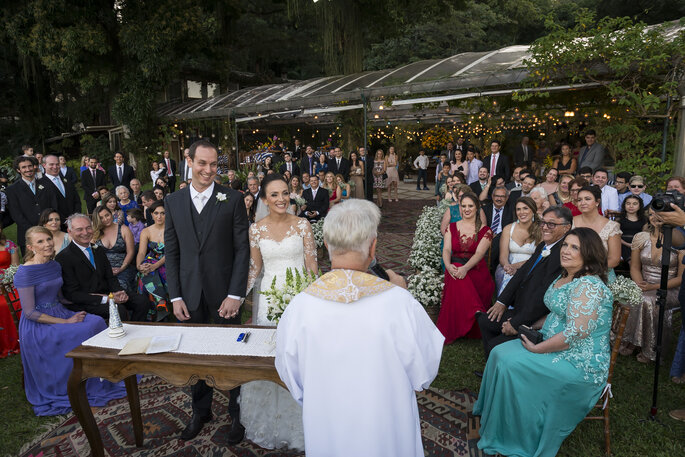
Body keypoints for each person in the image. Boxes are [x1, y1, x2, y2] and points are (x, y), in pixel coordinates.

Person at [275, 199, 443, 457]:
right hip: (386, 430)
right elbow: (424, 371)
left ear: (327, 244)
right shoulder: (399, 303)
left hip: (328, 428)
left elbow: (292, 378)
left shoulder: (300, 307)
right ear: (373, 246)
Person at [474, 227, 613, 457]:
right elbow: (557, 312)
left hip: (579, 361)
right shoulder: (566, 275)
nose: (566, 251)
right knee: (499, 352)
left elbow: (573, 335)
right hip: (552, 341)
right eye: (566, 245)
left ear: (589, 253)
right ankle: (494, 417)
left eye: (575, 247)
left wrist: (538, 348)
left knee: (511, 364)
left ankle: (514, 432)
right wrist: (530, 328)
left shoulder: (589, 286)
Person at [165, 140, 250, 443]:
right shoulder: (173, 201)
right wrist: (175, 296)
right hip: (188, 296)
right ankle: (200, 411)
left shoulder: (233, 198)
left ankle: (238, 414)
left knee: (231, 357)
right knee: (194, 357)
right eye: (202, 163)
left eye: (214, 164)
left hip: (224, 295)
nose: (209, 170)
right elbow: (172, 252)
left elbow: (243, 250)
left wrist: (236, 294)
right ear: (188, 161)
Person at [241, 174, 318, 450]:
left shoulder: (303, 225)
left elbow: (311, 266)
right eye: (274, 195)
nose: (281, 199)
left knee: (298, 359)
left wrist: (313, 300)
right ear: (264, 199)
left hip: (298, 297)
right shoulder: (256, 229)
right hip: (269, 301)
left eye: (285, 193)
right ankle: (269, 422)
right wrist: (237, 298)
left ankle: (304, 419)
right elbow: (255, 268)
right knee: (270, 358)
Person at [15, 226, 127, 416]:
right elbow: (29, 313)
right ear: (30, 247)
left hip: (60, 311)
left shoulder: (54, 265)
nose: (47, 244)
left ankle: (101, 376)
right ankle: (78, 381)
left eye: (48, 239)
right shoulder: (25, 273)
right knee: (79, 331)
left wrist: (88, 301)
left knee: (96, 322)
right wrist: (66, 323)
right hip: (39, 325)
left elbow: (62, 298)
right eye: (40, 242)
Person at [477, 206, 572, 358]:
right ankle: (492, 368)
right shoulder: (544, 245)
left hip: (534, 317)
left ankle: (498, 363)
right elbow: (521, 273)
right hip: (520, 307)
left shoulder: (562, 254)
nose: (545, 227)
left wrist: (515, 324)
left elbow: (542, 295)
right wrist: (502, 301)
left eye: (552, 224)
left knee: (495, 345)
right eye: (543, 223)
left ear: (567, 227)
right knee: (485, 320)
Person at [56, 214, 149, 322]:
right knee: (118, 310)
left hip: (109, 294)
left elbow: (110, 277)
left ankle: (134, 328)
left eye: (88, 228)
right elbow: (72, 294)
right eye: (79, 229)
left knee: (141, 301)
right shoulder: (63, 258)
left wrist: (119, 292)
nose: (85, 233)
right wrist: (107, 299)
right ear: (70, 231)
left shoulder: (98, 250)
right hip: (86, 302)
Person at [620, 209, 683, 362]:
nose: (655, 217)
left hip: (670, 288)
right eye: (652, 213)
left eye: (661, 214)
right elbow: (634, 267)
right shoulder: (641, 238)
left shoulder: (680, 242)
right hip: (643, 283)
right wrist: (639, 283)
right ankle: (631, 341)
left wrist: (652, 288)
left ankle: (650, 348)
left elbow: (681, 278)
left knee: (648, 300)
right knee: (631, 296)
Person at [437, 193, 494, 343]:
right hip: (455, 268)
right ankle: (475, 312)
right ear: (460, 208)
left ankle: (465, 320)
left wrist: (465, 268)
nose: (467, 209)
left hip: (475, 270)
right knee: (455, 269)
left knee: (457, 272)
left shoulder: (485, 230)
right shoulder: (451, 227)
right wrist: (448, 265)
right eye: (463, 206)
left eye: (470, 206)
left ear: (477, 208)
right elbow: (447, 250)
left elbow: (480, 254)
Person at [6, 155, 58, 254]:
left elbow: (53, 205)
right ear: (18, 170)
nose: (28, 169)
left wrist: (49, 224)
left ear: (34, 166)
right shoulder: (12, 190)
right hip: (27, 235)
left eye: (30, 166)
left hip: (49, 232)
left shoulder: (47, 184)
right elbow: (16, 214)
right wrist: (35, 231)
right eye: (24, 167)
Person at [495, 197, 541, 294]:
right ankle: (503, 306)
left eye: (525, 208)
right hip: (509, 266)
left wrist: (517, 266)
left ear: (533, 210)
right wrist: (508, 266)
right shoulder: (508, 228)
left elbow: (539, 256)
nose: (521, 212)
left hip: (531, 265)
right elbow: (503, 256)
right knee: (507, 276)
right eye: (518, 209)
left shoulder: (541, 230)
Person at [573, 186, 621, 277]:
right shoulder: (570, 223)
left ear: (597, 202)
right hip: (573, 272)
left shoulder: (611, 226)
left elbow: (614, 259)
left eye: (587, 199)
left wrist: (589, 270)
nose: (582, 203)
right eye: (579, 200)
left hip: (601, 274)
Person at [92, 206, 137, 296]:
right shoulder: (95, 233)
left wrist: (122, 268)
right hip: (103, 270)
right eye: (101, 218)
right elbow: (92, 255)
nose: (105, 219)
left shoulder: (124, 229)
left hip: (123, 267)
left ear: (111, 214)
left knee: (120, 287)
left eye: (107, 215)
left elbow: (130, 252)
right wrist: (104, 271)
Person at [136, 200, 169, 320]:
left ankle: (158, 307)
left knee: (153, 271)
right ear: (151, 214)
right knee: (144, 271)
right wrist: (139, 265)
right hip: (150, 260)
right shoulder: (146, 231)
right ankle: (159, 303)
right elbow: (141, 252)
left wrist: (155, 266)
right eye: (156, 213)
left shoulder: (172, 229)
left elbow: (171, 253)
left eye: (163, 213)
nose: (159, 216)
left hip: (168, 261)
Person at [39, 154, 81, 229]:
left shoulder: (67, 180)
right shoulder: (40, 185)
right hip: (56, 226)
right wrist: (63, 220)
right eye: (51, 164)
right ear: (44, 165)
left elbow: (76, 200)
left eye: (57, 164)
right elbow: (45, 206)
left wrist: (75, 217)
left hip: (75, 223)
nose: (55, 167)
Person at [0, 224, 20, 358]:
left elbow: (15, 267)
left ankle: (18, 341)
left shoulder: (10, 245)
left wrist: (4, 284)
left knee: (16, 302)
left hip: (8, 284)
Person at [617, 195, 646, 262]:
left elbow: (644, 236)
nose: (631, 206)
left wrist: (636, 245)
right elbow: (617, 236)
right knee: (631, 260)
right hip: (623, 244)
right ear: (624, 205)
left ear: (639, 206)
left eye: (635, 204)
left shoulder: (644, 220)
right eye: (628, 203)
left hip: (638, 245)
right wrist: (629, 245)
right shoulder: (619, 219)